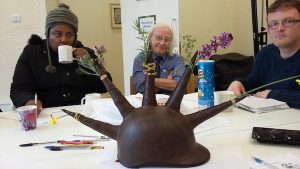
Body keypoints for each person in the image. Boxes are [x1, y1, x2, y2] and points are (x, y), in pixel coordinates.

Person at [10, 3, 111, 113]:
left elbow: (105, 86)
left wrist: (89, 63)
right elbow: (19, 89)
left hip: (82, 111)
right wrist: (28, 102)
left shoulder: (85, 53)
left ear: (75, 36)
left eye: (69, 35)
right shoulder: (32, 53)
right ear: (48, 34)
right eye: (57, 34)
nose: (64, 39)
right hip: (47, 114)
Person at [227, 0, 300, 109]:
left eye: (288, 21)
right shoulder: (266, 54)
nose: (280, 28)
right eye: (274, 24)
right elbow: (254, 83)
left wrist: (272, 94)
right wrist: (238, 83)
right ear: (269, 30)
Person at [132, 23, 185, 95]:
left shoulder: (177, 59)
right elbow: (140, 88)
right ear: (150, 38)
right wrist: (167, 81)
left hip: (171, 103)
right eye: (159, 38)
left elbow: (179, 85)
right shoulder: (140, 59)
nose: (162, 43)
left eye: (167, 39)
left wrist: (148, 80)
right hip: (146, 104)